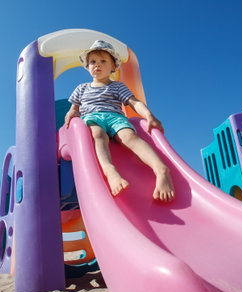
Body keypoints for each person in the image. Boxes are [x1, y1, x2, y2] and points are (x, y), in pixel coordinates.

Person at [64, 40, 175, 201]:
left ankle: (161, 170)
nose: (97, 65)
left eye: (103, 61)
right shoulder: (81, 88)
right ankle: (110, 171)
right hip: (92, 117)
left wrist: (149, 116)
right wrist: (71, 114)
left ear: (113, 67)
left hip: (115, 117)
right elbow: (74, 108)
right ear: (87, 67)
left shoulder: (117, 86)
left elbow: (134, 102)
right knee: (98, 135)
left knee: (130, 137)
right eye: (93, 62)